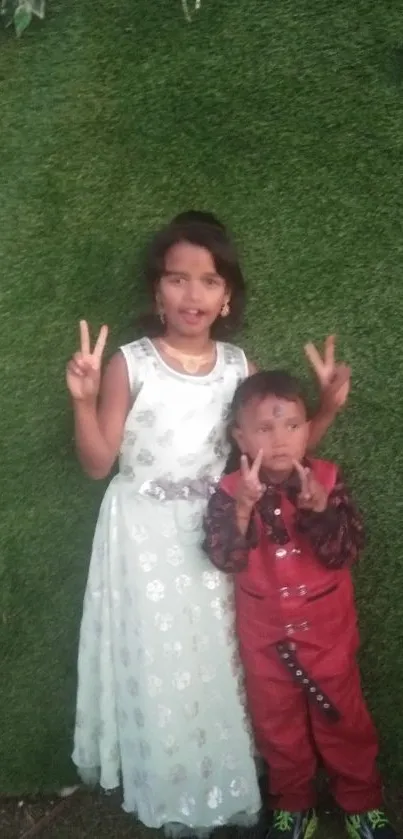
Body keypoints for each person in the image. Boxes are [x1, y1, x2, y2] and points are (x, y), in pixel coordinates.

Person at [66, 211, 349, 836]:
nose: (192, 295)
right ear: (155, 291)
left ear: (227, 297)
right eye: (176, 279)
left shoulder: (237, 365)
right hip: (140, 538)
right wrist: (83, 402)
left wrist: (324, 409)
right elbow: (96, 464)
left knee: (221, 660)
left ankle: (225, 778)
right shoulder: (130, 363)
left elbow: (276, 459)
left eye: (208, 281)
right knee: (158, 660)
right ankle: (169, 782)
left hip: (222, 531)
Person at [203, 370, 396, 839]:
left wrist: (320, 511)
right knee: (277, 725)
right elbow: (224, 557)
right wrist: (244, 508)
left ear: (308, 428)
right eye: (265, 429)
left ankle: (361, 801)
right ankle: (293, 803)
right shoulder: (228, 491)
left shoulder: (328, 479)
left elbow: (345, 552)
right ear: (241, 437)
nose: (280, 439)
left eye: (291, 425)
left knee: (344, 717)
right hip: (264, 640)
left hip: (328, 634)